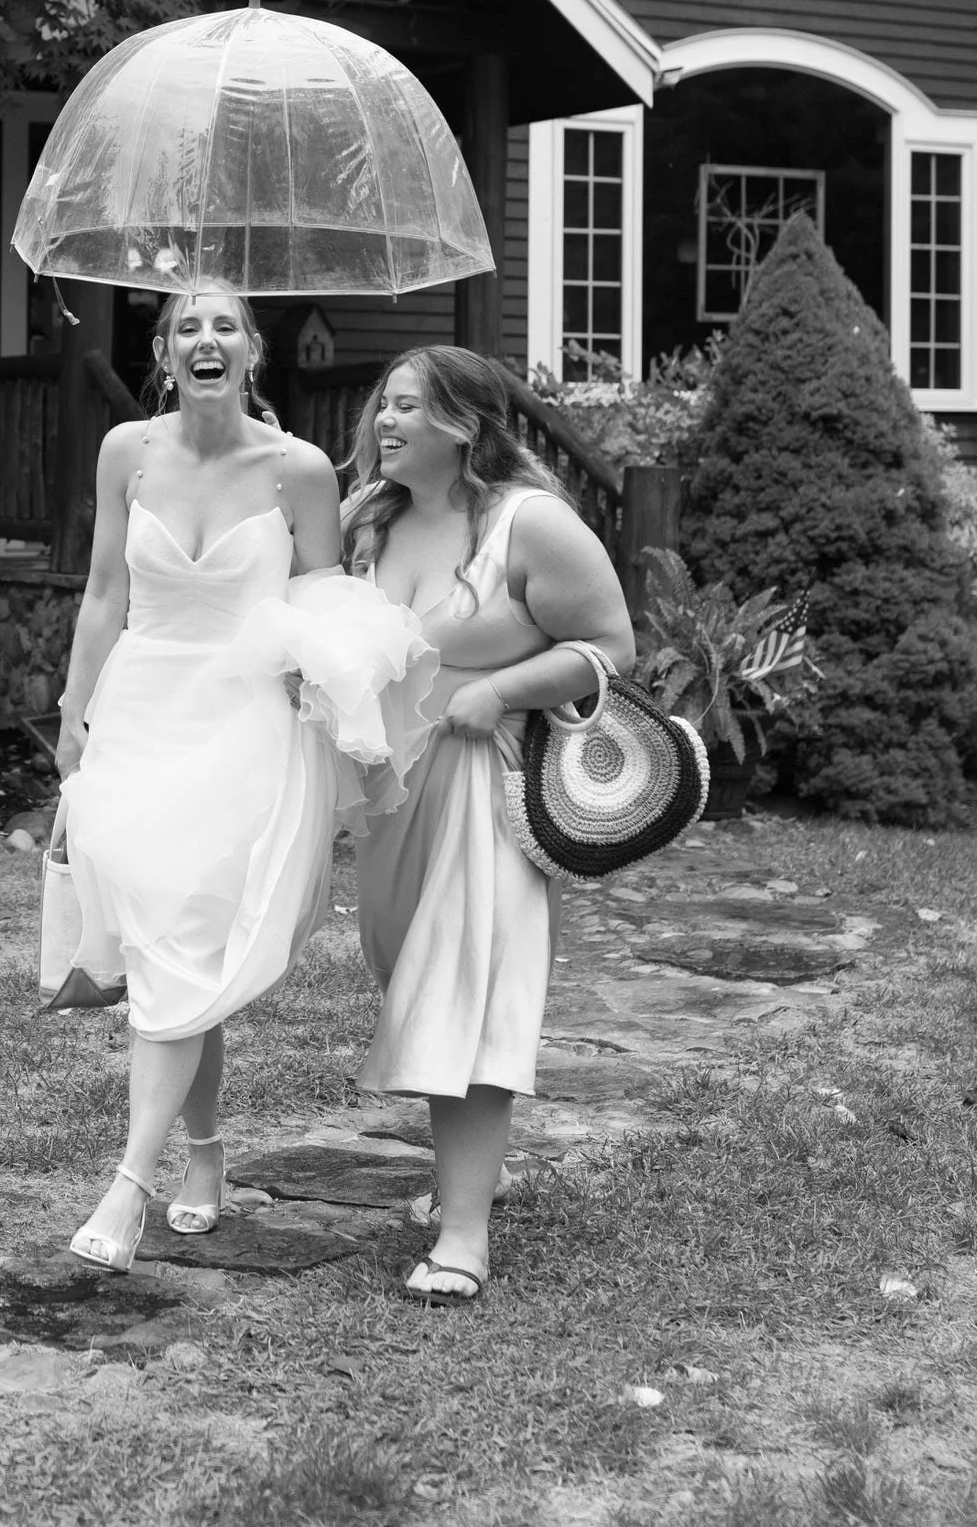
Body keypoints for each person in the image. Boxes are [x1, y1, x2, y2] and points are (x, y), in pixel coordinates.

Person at [54, 283, 342, 1272]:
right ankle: (206, 1156)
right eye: (188, 327)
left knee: (180, 948)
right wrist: (70, 715)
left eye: (225, 325)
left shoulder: (298, 469)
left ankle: (129, 1183)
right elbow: (102, 591)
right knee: (174, 954)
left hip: (241, 730)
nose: (205, 340)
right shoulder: (125, 450)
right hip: (139, 715)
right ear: (164, 349)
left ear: (253, 351)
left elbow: (324, 609)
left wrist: (327, 705)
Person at [348, 346, 635, 1303]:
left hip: (484, 786)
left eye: (407, 409)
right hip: (391, 796)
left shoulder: (529, 523)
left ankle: (464, 1236)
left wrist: (502, 688)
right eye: (383, 405)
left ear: (465, 426)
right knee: (415, 981)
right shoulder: (367, 523)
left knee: (464, 997)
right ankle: (461, 1186)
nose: (384, 423)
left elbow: (611, 643)